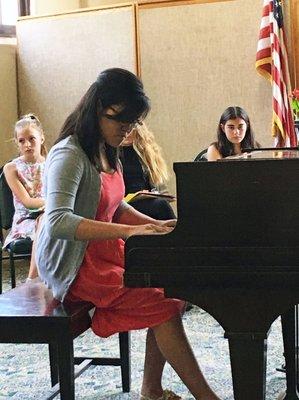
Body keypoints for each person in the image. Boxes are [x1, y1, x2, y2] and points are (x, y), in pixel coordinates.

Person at [35, 68, 221, 400]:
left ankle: (151, 391)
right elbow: (58, 222)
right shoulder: (69, 154)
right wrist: (132, 231)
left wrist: (160, 227)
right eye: (122, 123)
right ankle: (205, 397)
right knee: (163, 300)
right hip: (76, 266)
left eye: (132, 124)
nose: (128, 131)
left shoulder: (108, 150)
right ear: (98, 109)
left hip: (104, 253)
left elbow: (115, 205)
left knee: (172, 290)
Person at [3, 113, 46, 280]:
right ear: (17, 143)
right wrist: (54, 202)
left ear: (41, 138)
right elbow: (29, 203)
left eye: (32, 139)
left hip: (49, 215)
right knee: (45, 225)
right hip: (26, 221)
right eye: (22, 141)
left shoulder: (50, 163)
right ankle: (32, 279)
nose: (27, 145)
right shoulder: (12, 168)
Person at [120, 124, 176, 220]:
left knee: (162, 204)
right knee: (161, 206)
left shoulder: (145, 152)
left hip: (146, 198)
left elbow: (158, 184)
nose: (128, 131)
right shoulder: (113, 152)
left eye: (131, 127)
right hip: (125, 202)